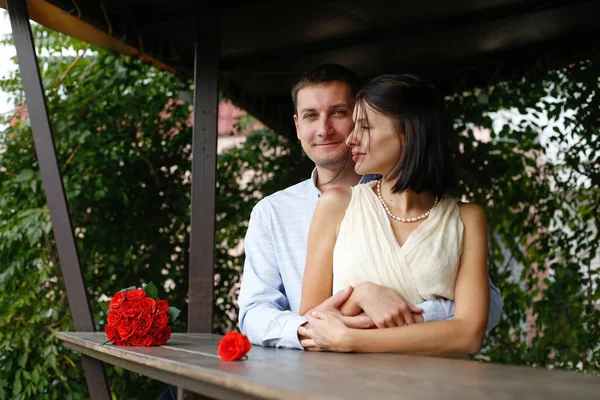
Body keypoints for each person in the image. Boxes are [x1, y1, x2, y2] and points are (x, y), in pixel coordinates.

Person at [238, 65, 503, 351]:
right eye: (310, 115)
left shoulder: (462, 217)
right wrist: (357, 299)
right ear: (297, 124)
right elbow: (279, 316)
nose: (326, 130)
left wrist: (358, 334)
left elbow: (480, 318)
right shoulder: (286, 211)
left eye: (341, 114)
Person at [298, 73, 490, 355]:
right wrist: (362, 294)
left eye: (365, 127)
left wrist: (352, 341)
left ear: (408, 134)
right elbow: (312, 322)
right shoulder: (336, 206)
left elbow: (469, 334)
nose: (351, 139)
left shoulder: (467, 219)